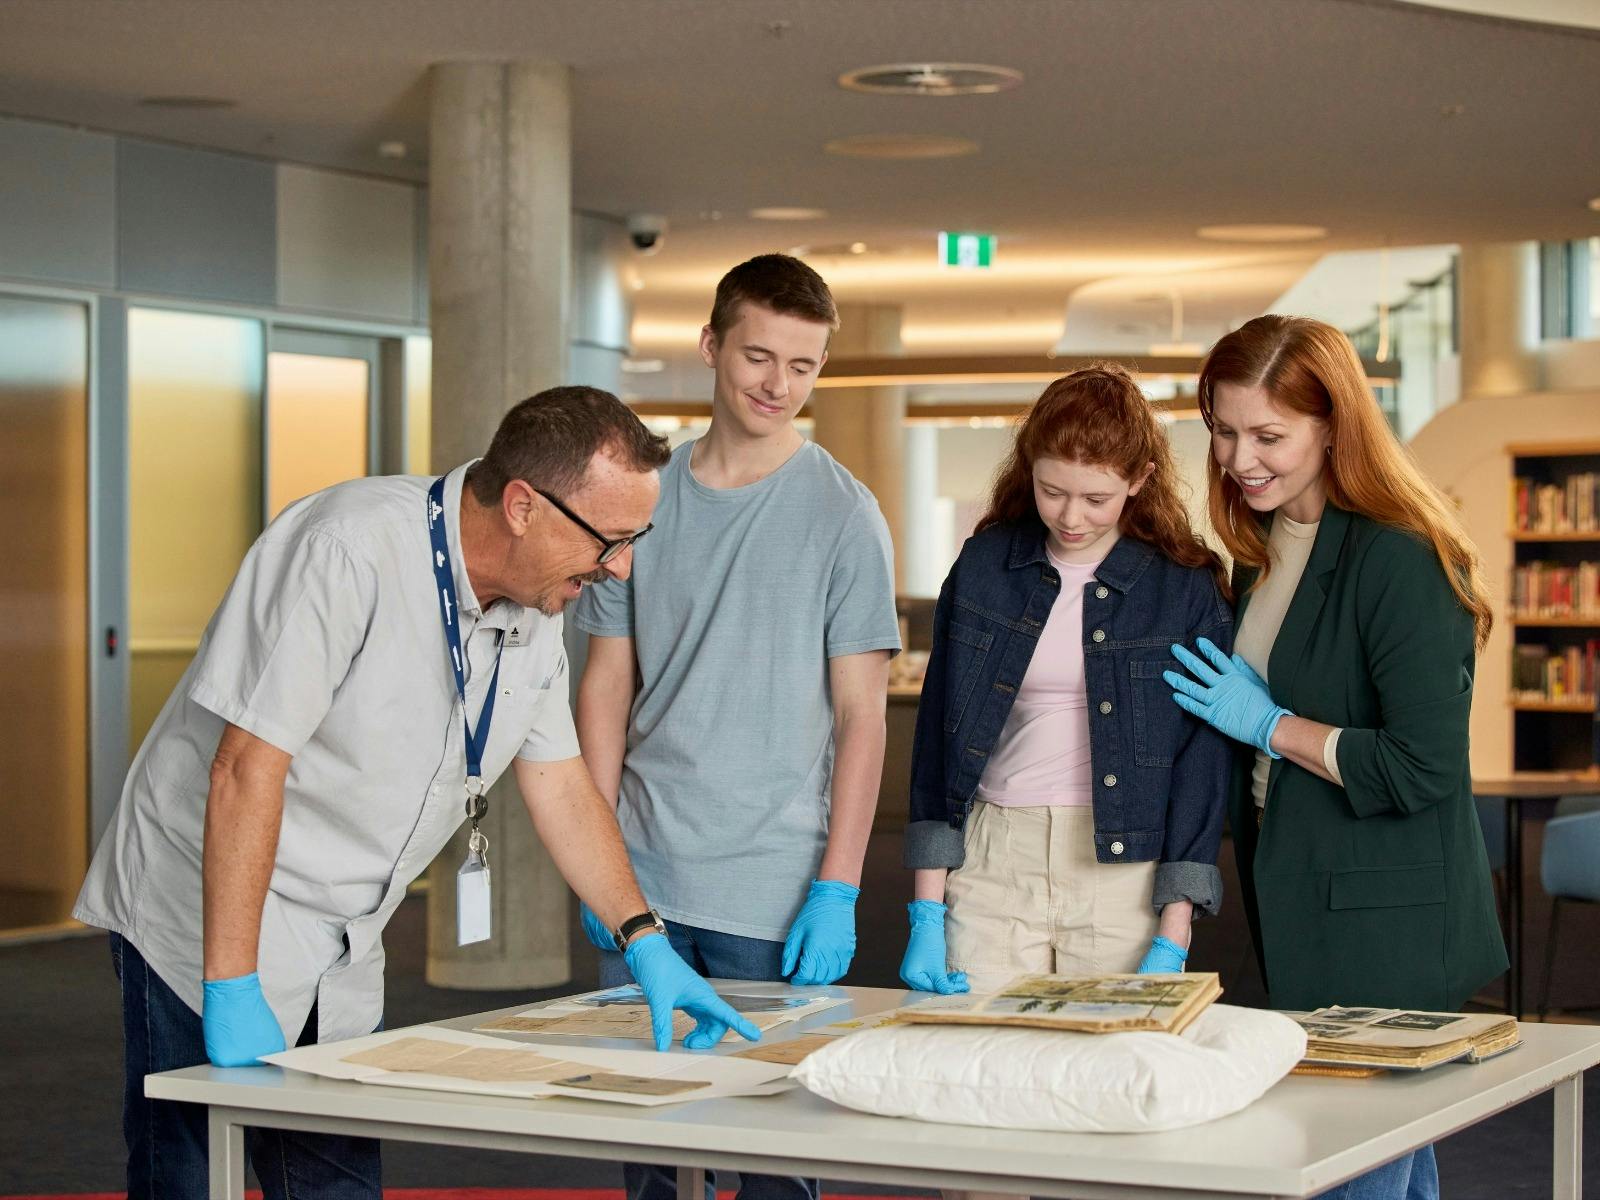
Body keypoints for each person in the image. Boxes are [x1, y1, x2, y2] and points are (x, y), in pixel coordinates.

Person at [74, 386, 759, 1200]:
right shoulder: (348, 549)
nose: (621, 566)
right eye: (611, 539)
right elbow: (245, 769)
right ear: (521, 507)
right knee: (185, 1172)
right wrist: (231, 981)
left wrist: (643, 937)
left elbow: (560, 780)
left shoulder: (539, 610)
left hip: (346, 928)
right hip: (206, 909)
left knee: (330, 1180)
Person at [572, 254, 900, 1200]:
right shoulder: (641, 495)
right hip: (644, 872)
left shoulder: (844, 515)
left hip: (773, 884)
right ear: (711, 344)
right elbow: (605, 684)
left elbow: (860, 716)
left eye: (803, 367)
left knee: (771, 1160)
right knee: (644, 1139)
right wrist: (598, 852)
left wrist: (839, 886)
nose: (778, 385)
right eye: (759, 357)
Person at [1164, 315, 1507, 1200]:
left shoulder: (1399, 558)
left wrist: (1270, 724)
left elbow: (1423, 766)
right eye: (1226, 431)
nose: (1242, 458)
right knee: (1384, 1163)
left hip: (1385, 917)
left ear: (1334, 427)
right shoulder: (1263, 550)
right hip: (1301, 895)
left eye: (1270, 435)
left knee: (1351, 1165)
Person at [900, 364, 1234, 997]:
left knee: (1108, 1068)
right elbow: (938, 737)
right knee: (982, 1059)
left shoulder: (1182, 587)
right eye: (1052, 491)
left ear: (1140, 480)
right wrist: (926, 907)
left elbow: (1201, 760)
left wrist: (1176, 924)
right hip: (994, 856)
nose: (1071, 516)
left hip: (1123, 873)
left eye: (1096, 498)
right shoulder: (985, 566)